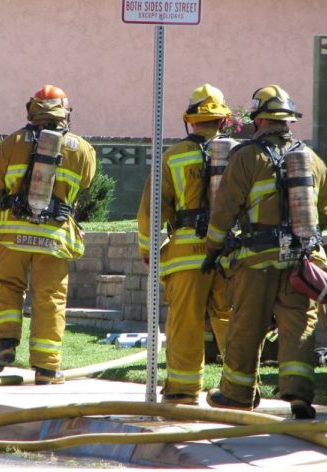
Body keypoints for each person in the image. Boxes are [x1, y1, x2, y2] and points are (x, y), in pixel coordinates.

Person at [201, 85, 327, 419]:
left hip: (258, 259)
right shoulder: (312, 160)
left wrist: (213, 249)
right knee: (298, 328)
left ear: (259, 120)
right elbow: (325, 212)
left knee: (247, 326)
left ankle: (236, 394)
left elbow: (224, 209)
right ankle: (299, 395)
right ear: (288, 121)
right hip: (301, 262)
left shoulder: (246, 156)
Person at [0, 85, 96, 384]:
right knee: (49, 298)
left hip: (12, 234)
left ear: (32, 110)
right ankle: (47, 368)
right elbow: (86, 182)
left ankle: (6, 344)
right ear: (65, 112)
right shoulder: (82, 149)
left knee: (9, 286)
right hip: (53, 237)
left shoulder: (12, 143)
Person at [136, 84, 232, 405]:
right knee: (232, 320)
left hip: (185, 256)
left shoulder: (173, 156)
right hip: (229, 253)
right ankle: (241, 389)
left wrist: (149, 250)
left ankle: (182, 389)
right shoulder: (239, 155)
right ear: (223, 121)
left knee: (185, 323)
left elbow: (152, 210)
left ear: (190, 121)